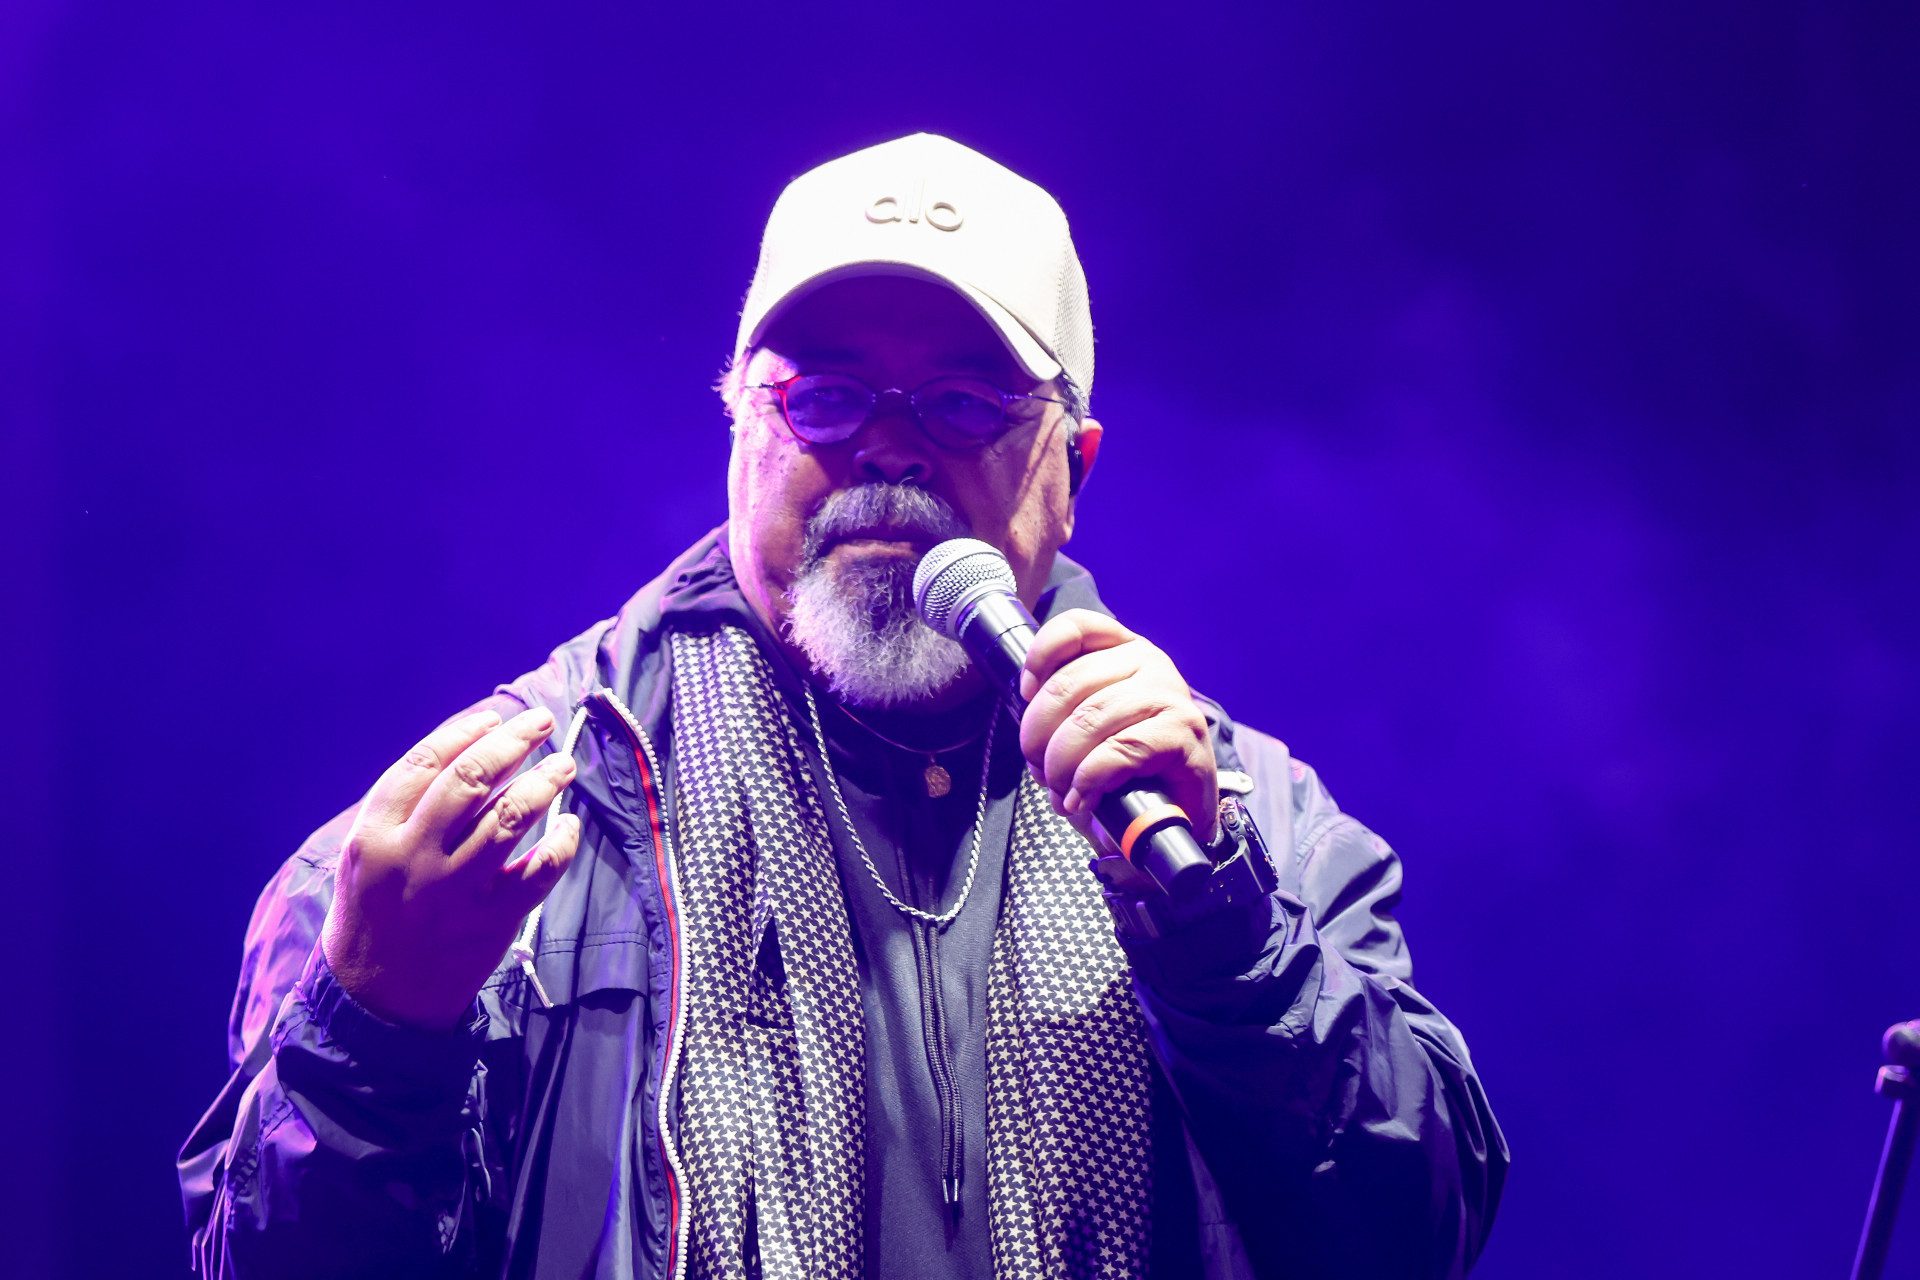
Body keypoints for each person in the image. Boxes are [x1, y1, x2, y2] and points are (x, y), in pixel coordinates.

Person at [179, 133, 1507, 1280]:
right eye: (822, 393)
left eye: (960, 399)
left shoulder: (1235, 815)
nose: (884, 444)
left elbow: (1413, 1234)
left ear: (1074, 461)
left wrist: (1220, 927)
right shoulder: (512, 809)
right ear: (737, 424)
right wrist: (376, 1030)